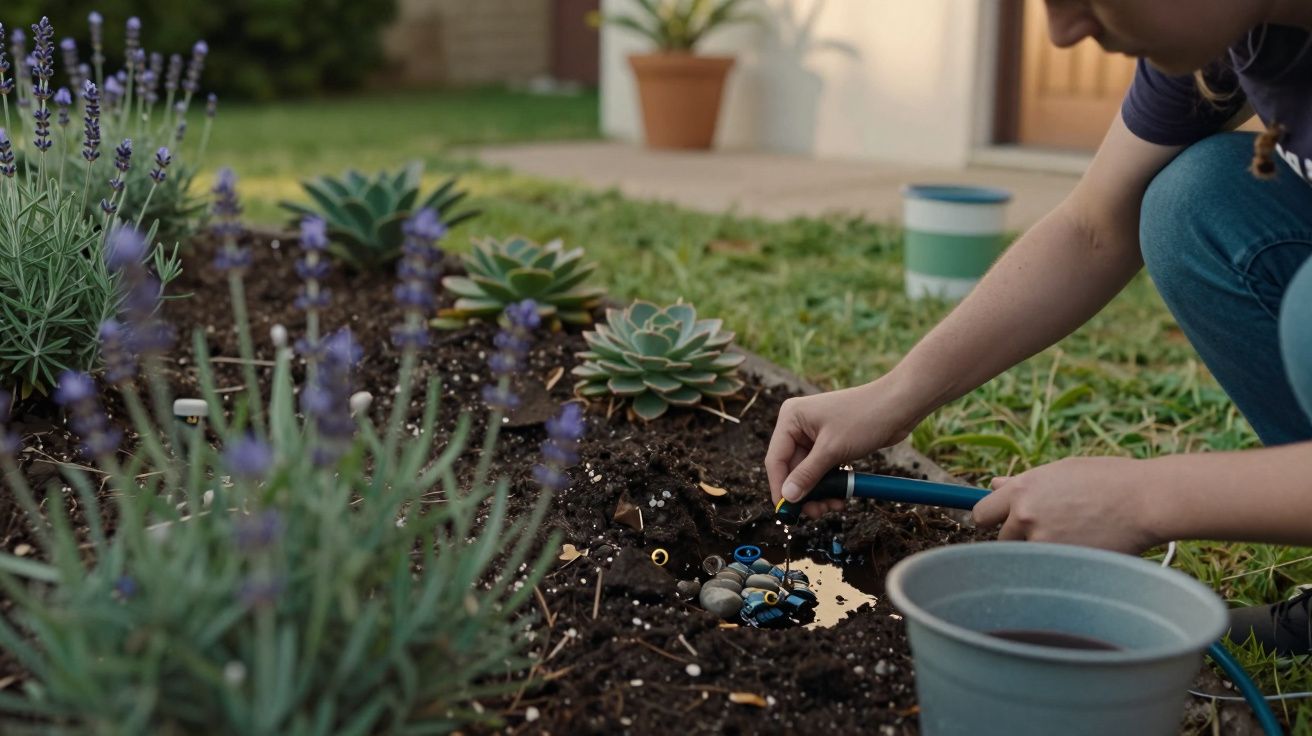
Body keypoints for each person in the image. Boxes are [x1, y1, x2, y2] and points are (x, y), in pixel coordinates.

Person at [765, 0, 1312, 656]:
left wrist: (1146, 498)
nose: (1062, 33)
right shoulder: (1240, 33)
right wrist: (892, 396)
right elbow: (1091, 229)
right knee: (1192, 199)